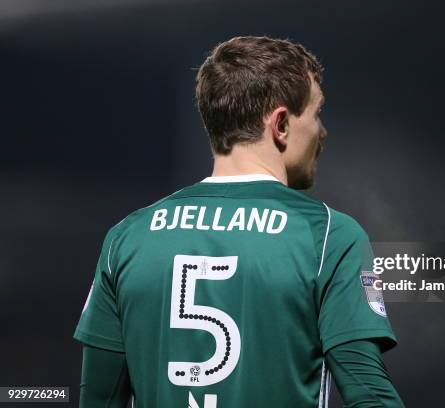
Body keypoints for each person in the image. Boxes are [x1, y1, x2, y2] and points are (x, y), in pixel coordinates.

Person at [75, 36, 404, 408]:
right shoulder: (330, 236)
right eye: (316, 113)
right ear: (281, 124)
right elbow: (370, 394)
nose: (322, 131)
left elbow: (99, 400)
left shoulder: (128, 237)